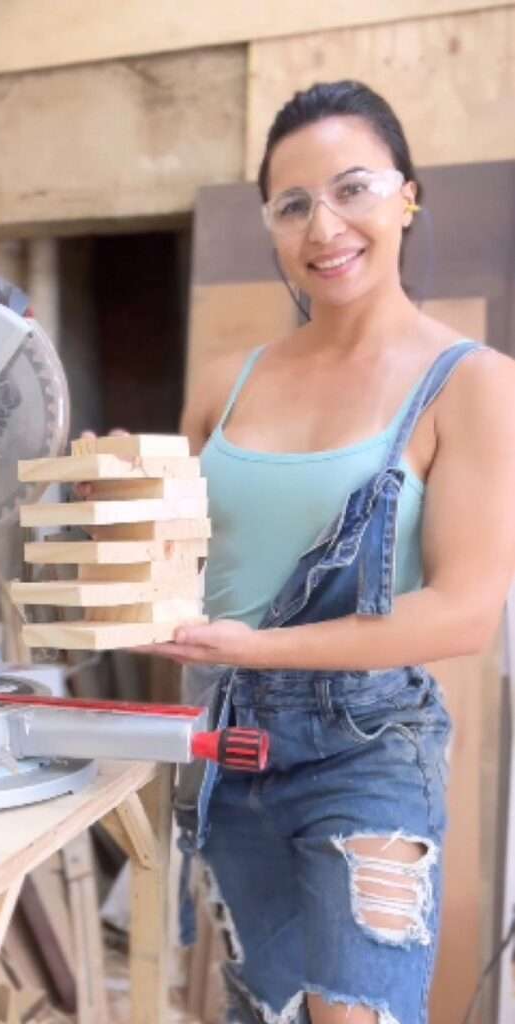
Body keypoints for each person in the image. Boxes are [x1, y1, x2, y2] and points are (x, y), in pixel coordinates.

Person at [141, 81, 515, 1023]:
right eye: (293, 204)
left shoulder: (471, 385)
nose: (325, 227)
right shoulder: (226, 387)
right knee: (262, 1010)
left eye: (353, 189)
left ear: (406, 197)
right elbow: (169, 557)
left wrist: (257, 648)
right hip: (222, 741)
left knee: (353, 1014)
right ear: (271, 225)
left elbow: (464, 613)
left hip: (365, 745)